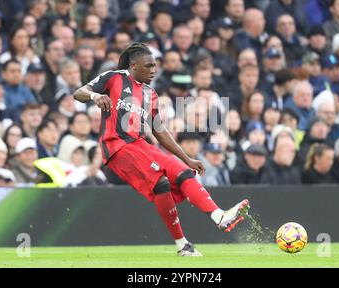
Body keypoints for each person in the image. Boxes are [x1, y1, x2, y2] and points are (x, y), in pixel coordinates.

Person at [74, 42, 250, 257]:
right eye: (148, 66)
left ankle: (212, 221)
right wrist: (95, 96)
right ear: (134, 65)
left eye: (154, 66)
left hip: (140, 145)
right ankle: (192, 237)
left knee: (184, 173)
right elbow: (79, 92)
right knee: (161, 182)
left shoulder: (150, 93)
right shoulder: (114, 77)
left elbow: (159, 130)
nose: (153, 70)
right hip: (118, 145)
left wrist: (186, 157)